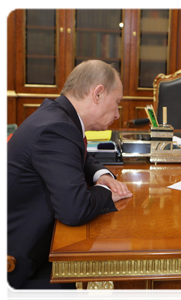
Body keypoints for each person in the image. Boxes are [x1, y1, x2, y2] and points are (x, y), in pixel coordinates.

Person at [5, 60, 133, 300]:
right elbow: (75, 209)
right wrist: (107, 194)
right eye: (117, 103)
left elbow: (76, 156)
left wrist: (101, 174)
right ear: (98, 93)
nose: (117, 114)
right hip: (21, 264)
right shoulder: (56, 128)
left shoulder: (56, 116)